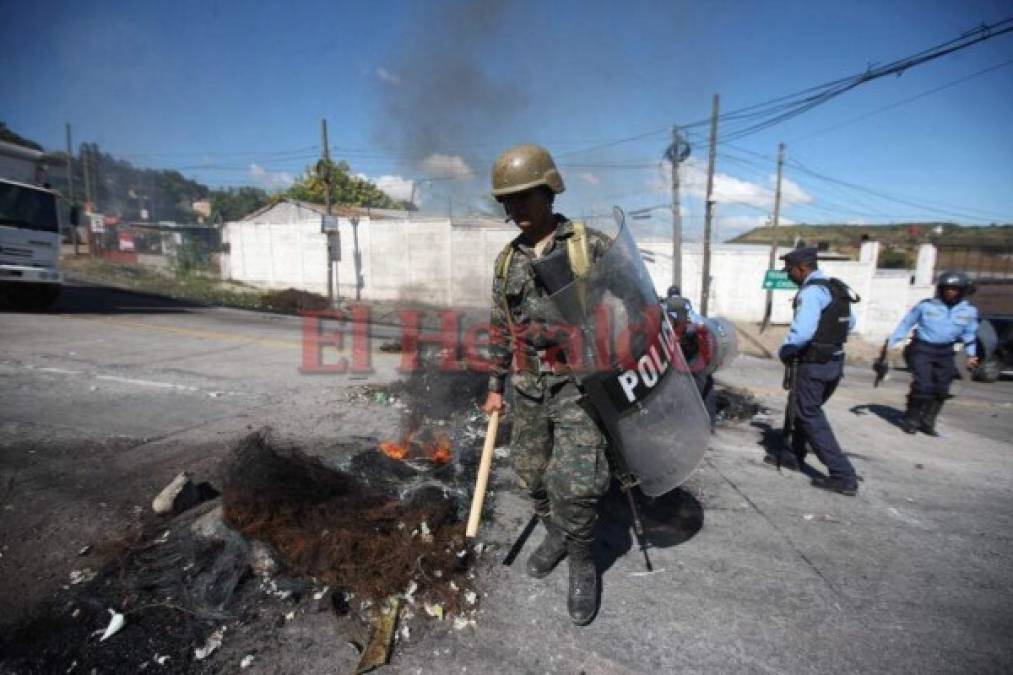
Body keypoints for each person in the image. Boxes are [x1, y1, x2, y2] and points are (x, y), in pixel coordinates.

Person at [481, 144, 611, 626]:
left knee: (578, 483)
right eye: (507, 202)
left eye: (523, 198)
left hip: (581, 388)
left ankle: (582, 560)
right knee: (531, 474)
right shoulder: (505, 261)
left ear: (548, 191)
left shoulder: (587, 245)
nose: (514, 209)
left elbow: (636, 307)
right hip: (528, 386)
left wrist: (589, 335)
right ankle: (556, 533)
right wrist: (495, 383)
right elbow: (500, 325)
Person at [776, 247, 860, 496]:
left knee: (809, 414)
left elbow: (802, 332)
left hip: (814, 363)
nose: (789, 275)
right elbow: (851, 323)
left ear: (801, 268)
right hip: (833, 360)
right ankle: (794, 455)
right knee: (802, 408)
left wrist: (787, 350)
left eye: (790, 270)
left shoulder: (812, 292)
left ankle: (843, 475)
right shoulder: (836, 288)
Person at [887, 271, 979, 436]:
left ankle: (928, 421)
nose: (950, 292)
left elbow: (969, 334)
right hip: (922, 348)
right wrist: (890, 344)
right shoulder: (926, 305)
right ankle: (911, 418)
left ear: (963, 291)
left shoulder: (969, 311)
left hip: (946, 351)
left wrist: (972, 355)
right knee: (923, 385)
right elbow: (905, 324)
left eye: (955, 289)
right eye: (947, 288)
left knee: (942, 388)